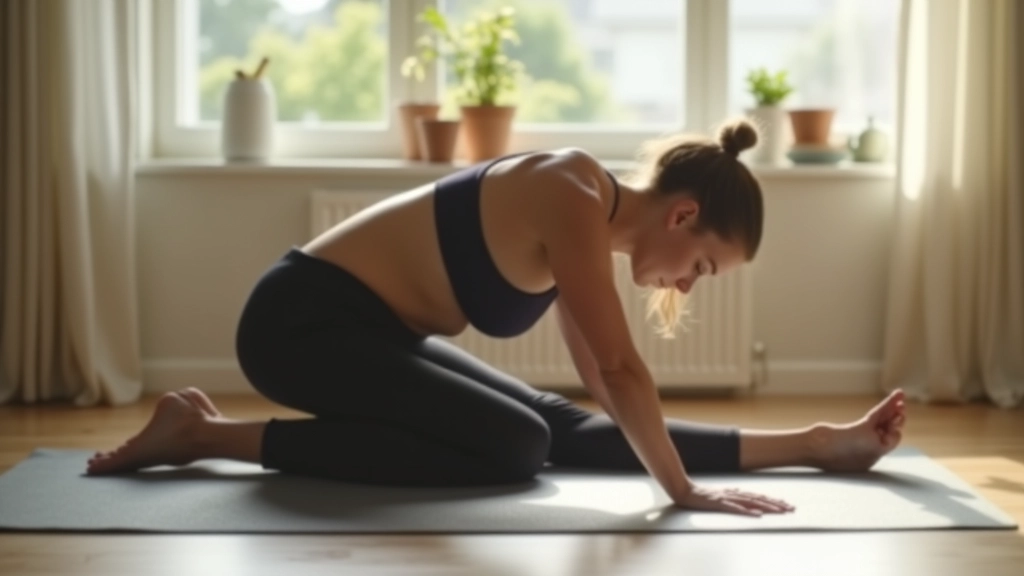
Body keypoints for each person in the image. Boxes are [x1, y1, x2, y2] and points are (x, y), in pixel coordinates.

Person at [87, 119, 907, 517]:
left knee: (550, 427)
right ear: (683, 217)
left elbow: (605, 398)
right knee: (515, 443)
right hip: (297, 323)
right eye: (702, 269)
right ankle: (201, 435)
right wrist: (683, 493)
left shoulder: (587, 221)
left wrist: (807, 447)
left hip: (368, 335)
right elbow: (624, 371)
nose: (688, 288)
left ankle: (817, 442)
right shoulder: (569, 191)